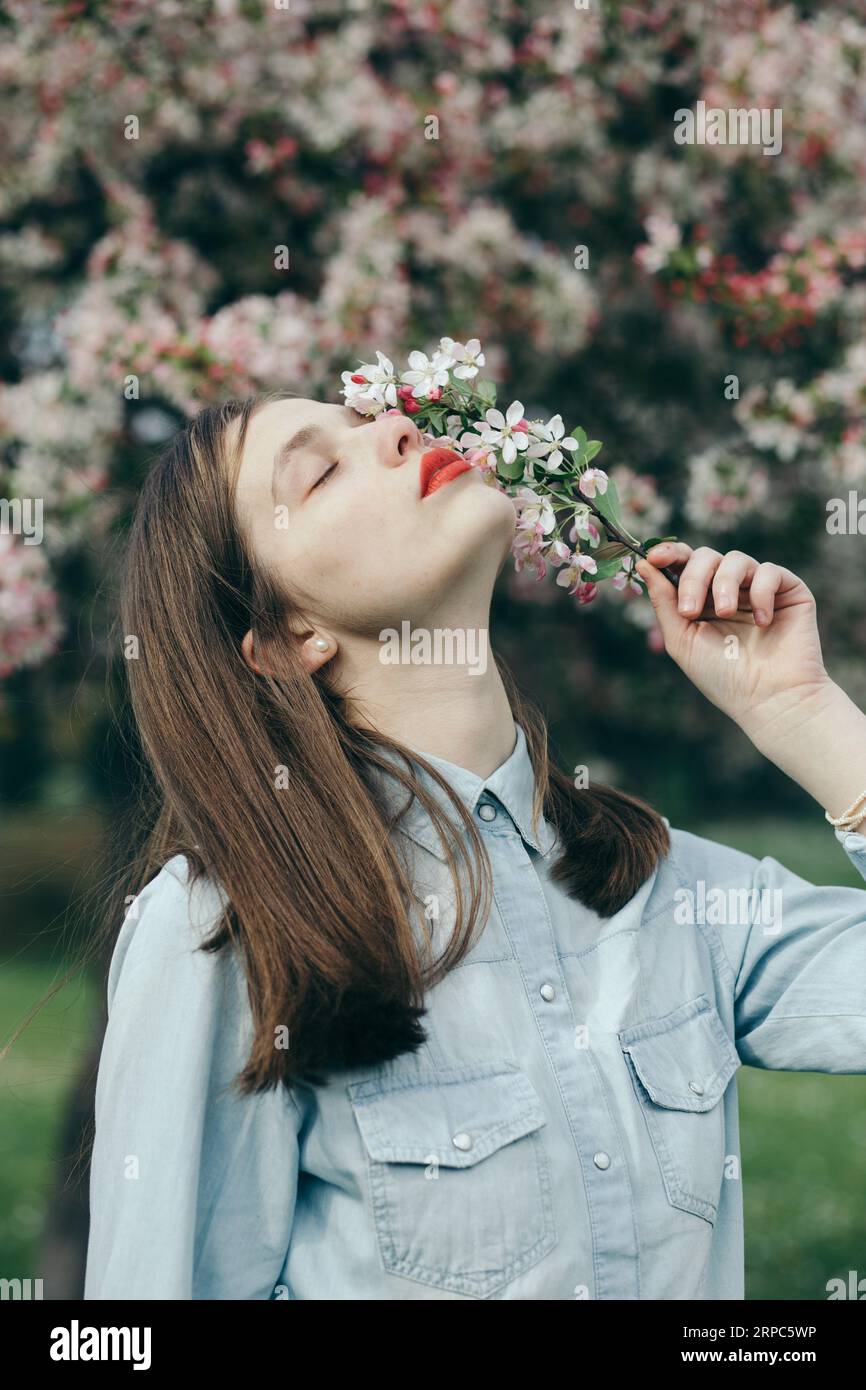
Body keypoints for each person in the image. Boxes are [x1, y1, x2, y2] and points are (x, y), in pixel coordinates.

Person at [84, 390, 866, 1300]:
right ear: (291, 638)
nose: (399, 428)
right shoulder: (227, 929)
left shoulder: (668, 888)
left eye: (365, 417)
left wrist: (804, 716)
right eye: (324, 467)